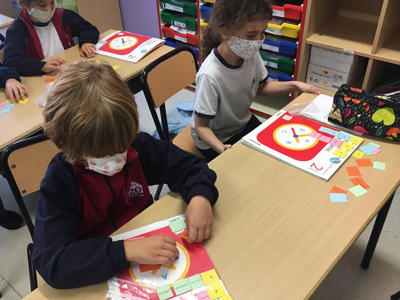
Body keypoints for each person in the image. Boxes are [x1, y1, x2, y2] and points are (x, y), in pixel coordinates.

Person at [32, 61, 218, 289]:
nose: (116, 160)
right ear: (67, 145)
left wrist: (200, 197)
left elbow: (189, 166)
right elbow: (53, 263)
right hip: (97, 268)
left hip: (148, 247)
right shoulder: (59, 182)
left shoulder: (137, 144)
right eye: (100, 155)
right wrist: (125, 250)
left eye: (121, 149)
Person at [191, 0, 321, 162]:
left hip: (241, 123)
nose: (258, 41)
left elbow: (262, 87)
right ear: (225, 32)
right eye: (251, 35)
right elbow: (201, 127)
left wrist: (295, 85)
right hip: (217, 138)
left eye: (262, 32)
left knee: (278, 153)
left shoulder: (248, 53)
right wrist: (221, 149)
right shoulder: (210, 75)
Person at [3, 0, 99, 76]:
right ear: (25, 5)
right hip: (42, 80)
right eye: (42, 5)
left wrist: (86, 42)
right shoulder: (17, 29)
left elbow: (88, 29)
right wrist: (41, 66)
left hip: (68, 71)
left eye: (52, 3)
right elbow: (12, 61)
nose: (49, 10)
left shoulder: (63, 16)